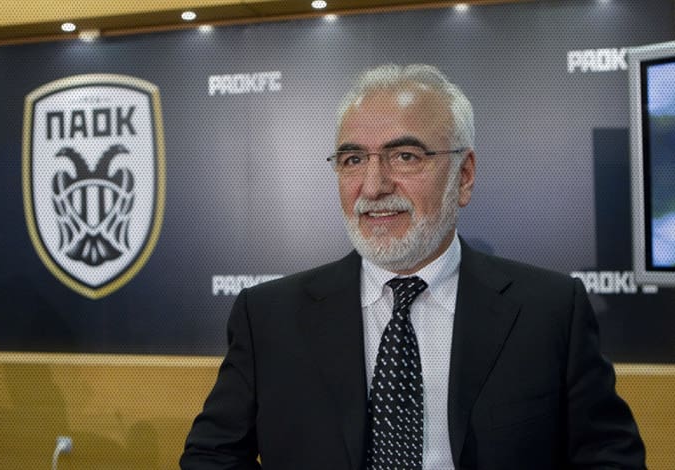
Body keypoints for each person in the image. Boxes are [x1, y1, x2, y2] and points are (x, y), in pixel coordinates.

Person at [180, 64, 645, 469]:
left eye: (405, 156)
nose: (373, 186)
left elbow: (610, 458)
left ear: (464, 176)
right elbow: (212, 457)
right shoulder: (268, 317)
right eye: (353, 159)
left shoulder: (550, 311)